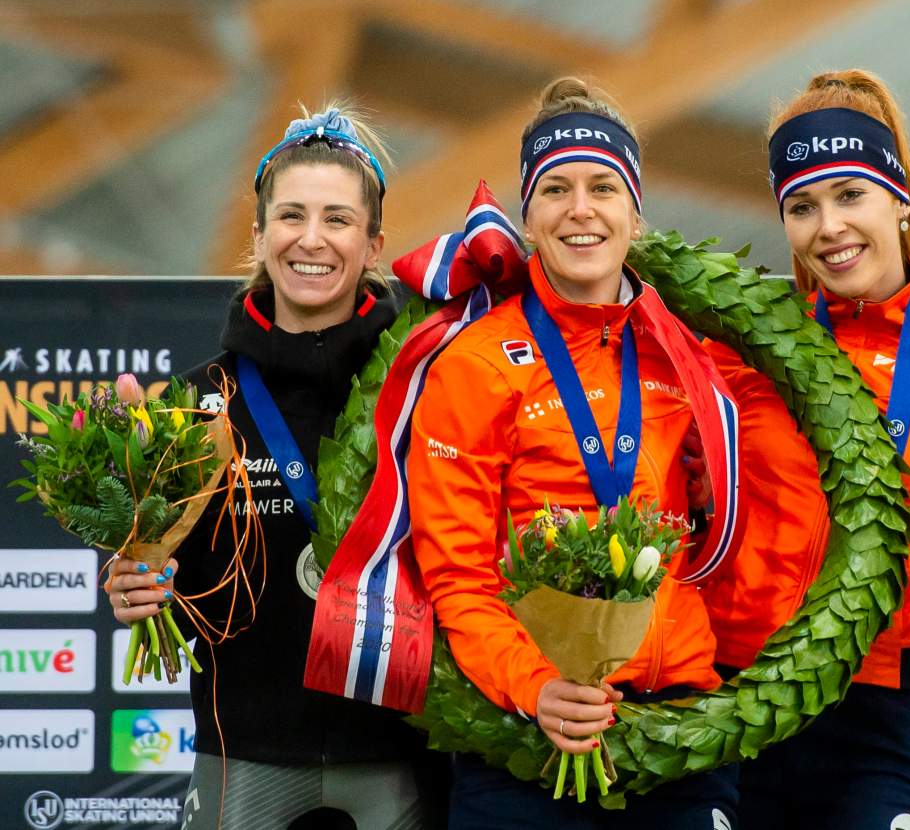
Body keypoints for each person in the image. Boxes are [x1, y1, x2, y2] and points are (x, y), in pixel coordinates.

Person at [704, 69, 910, 830]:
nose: (828, 227)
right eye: (802, 206)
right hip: (741, 700)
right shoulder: (741, 346)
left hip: (886, 709)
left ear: (899, 197)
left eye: (850, 195)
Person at [406, 77, 741, 829]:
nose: (580, 209)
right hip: (524, 731)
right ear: (528, 215)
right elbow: (456, 574)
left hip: (679, 725)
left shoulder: (687, 352)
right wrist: (534, 687)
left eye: (603, 186)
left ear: (635, 211)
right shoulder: (476, 362)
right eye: (555, 189)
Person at [104, 104, 446, 830]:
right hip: (244, 752)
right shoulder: (197, 403)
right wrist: (138, 577)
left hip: (399, 752)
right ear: (259, 236)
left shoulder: (423, 390)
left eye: (338, 219)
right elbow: (164, 564)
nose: (311, 239)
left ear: (374, 243)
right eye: (291, 216)